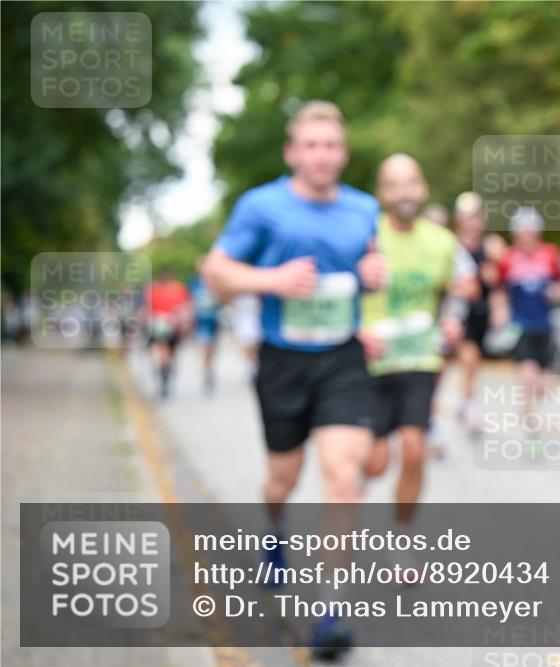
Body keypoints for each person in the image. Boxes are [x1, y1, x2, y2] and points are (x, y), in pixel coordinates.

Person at [201, 100, 387, 659]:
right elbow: (215, 273)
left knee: (344, 477)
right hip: (283, 361)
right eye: (310, 145)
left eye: (330, 145)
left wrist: (373, 278)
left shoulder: (364, 209)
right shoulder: (262, 206)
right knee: (282, 480)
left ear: (343, 154)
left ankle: (330, 613)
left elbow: (367, 273)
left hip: (342, 359)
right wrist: (272, 280)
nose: (321, 155)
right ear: (292, 153)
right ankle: (275, 528)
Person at [360, 155, 477, 564]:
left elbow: (464, 286)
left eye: (410, 183)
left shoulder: (443, 242)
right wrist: (356, 329)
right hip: (371, 363)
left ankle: (401, 536)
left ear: (423, 187)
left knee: (414, 449)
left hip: (420, 360)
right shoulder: (365, 236)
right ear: (382, 193)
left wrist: (452, 321)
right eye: (394, 185)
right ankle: (357, 485)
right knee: (376, 463)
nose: (404, 192)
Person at [491, 206, 560, 415]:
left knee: (546, 382)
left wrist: (556, 293)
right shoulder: (508, 258)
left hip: (545, 324)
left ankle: (534, 397)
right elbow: (499, 289)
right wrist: (499, 310)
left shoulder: (550, 254)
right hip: (520, 323)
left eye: (530, 229)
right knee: (527, 369)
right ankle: (528, 411)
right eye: (522, 230)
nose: (527, 235)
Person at [453, 191, 504, 432]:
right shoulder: (451, 245)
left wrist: (499, 306)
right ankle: (468, 408)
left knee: (474, 363)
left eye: (475, 216)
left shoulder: (492, 245)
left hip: (481, 312)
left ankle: (465, 402)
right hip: (459, 311)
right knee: (469, 358)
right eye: (466, 216)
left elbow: (501, 281)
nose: (471, 221)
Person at [144, 267, 190, 400]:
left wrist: (184, 324)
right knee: (163, 352)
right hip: (160, 325)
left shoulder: (178, 289)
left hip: (172, 325)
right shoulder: (153, 289)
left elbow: (184, 308)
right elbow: (148, 309)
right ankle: (164, 378)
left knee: (169, 354)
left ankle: (165, 374)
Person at [188, 256, 222, 393]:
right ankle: (206, 371)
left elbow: (223, 299)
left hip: (214, 320)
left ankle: (209, 368)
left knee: (212, 348)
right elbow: (190, 302)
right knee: (205, 346)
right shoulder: (194, 283)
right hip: (200, 321)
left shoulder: (216, 282)